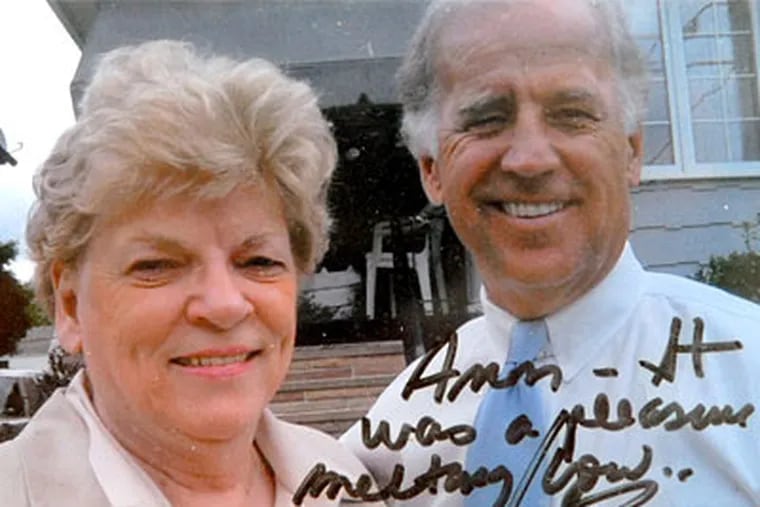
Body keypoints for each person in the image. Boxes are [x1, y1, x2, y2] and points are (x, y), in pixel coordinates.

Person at [341, 0, 760, 505]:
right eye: (487, 119)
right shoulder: (395, 432)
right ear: (431, 167)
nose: (530, 159)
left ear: (631, 151)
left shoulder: (749, 379)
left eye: (572, 115)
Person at [0, 40, 384, 507]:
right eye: (157, 266)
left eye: (258, 262)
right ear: (71, 306)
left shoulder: (350, 482)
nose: (224, 304)